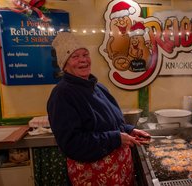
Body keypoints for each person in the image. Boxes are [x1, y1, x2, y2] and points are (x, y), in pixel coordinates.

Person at [47, 32, 151, 186]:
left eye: (85, 54)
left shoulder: (97, 87)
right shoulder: (62, 94)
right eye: (75, 57)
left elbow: (111, 123)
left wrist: (129, 130)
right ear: (65, 65)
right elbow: (72, 144)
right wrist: (115, 138)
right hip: (94, 175)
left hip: (119, 171)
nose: (83, 60)